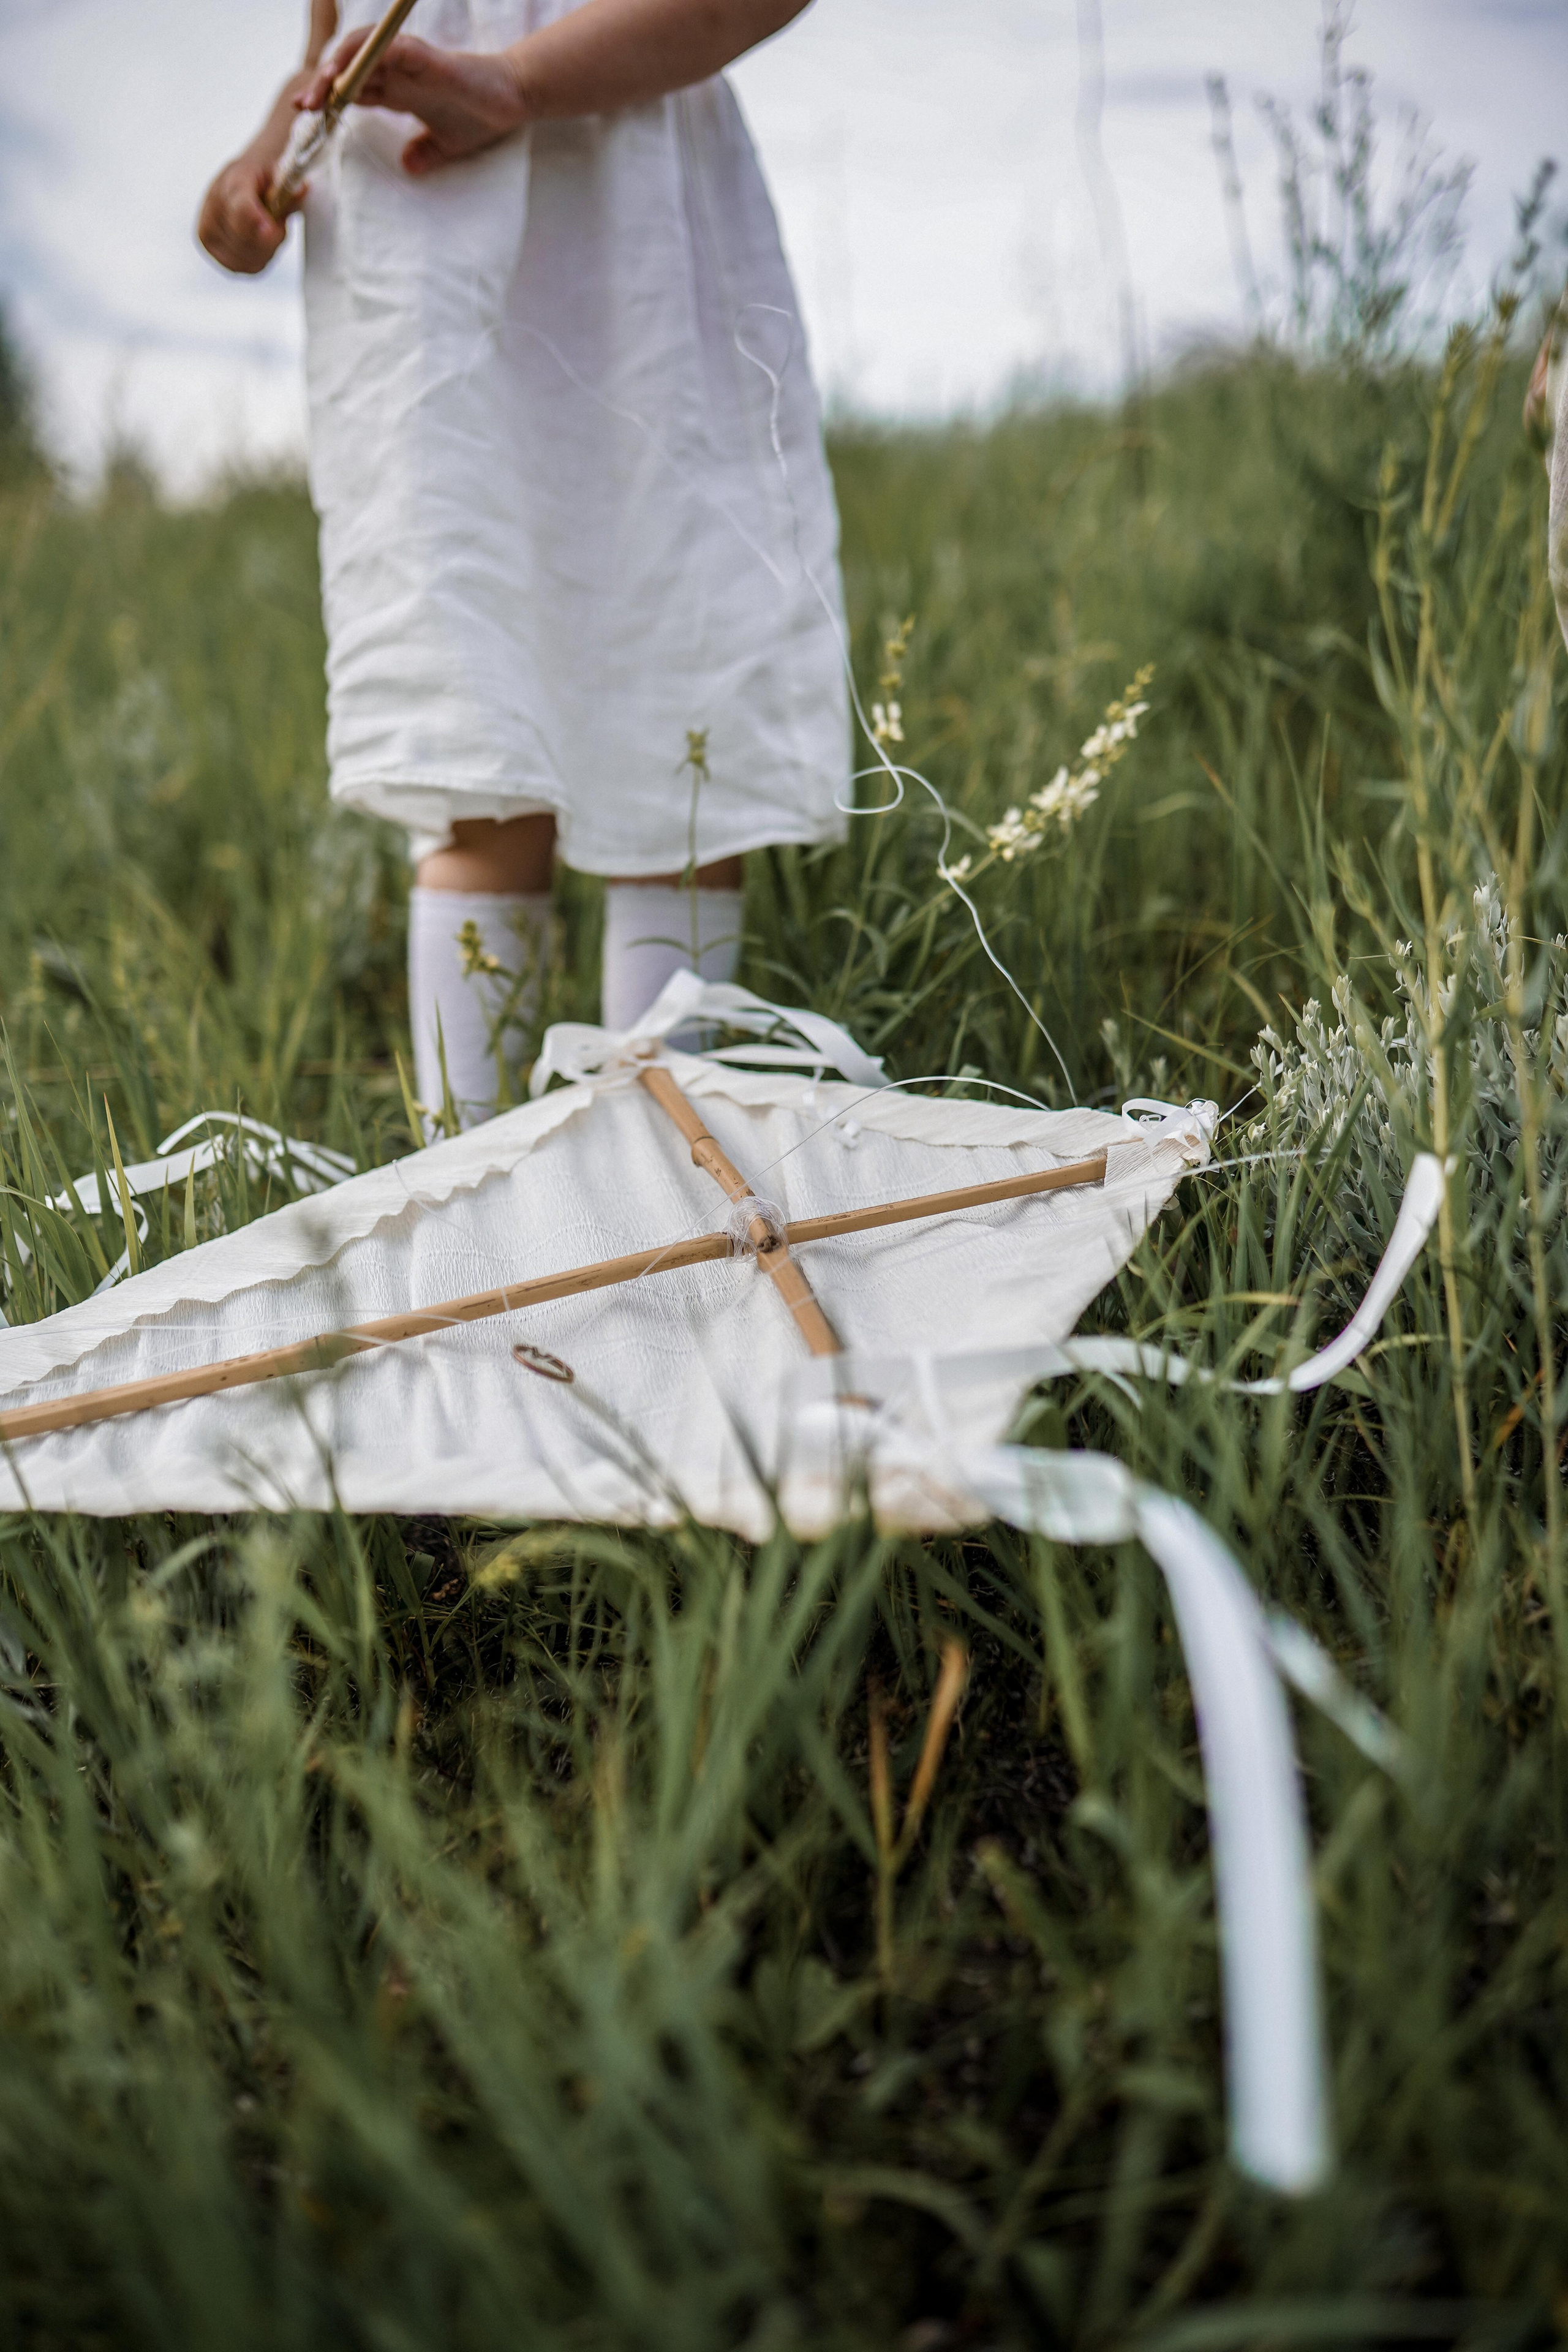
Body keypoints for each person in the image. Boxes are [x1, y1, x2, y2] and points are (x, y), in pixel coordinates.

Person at [198, 0, 848, 1126]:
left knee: (671, 695)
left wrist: (520, 82)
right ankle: (478, 1199)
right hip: (420, 282)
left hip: (627, 222)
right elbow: (325, 48)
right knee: (473, 718)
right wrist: (263, 157)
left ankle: (673, 1188)